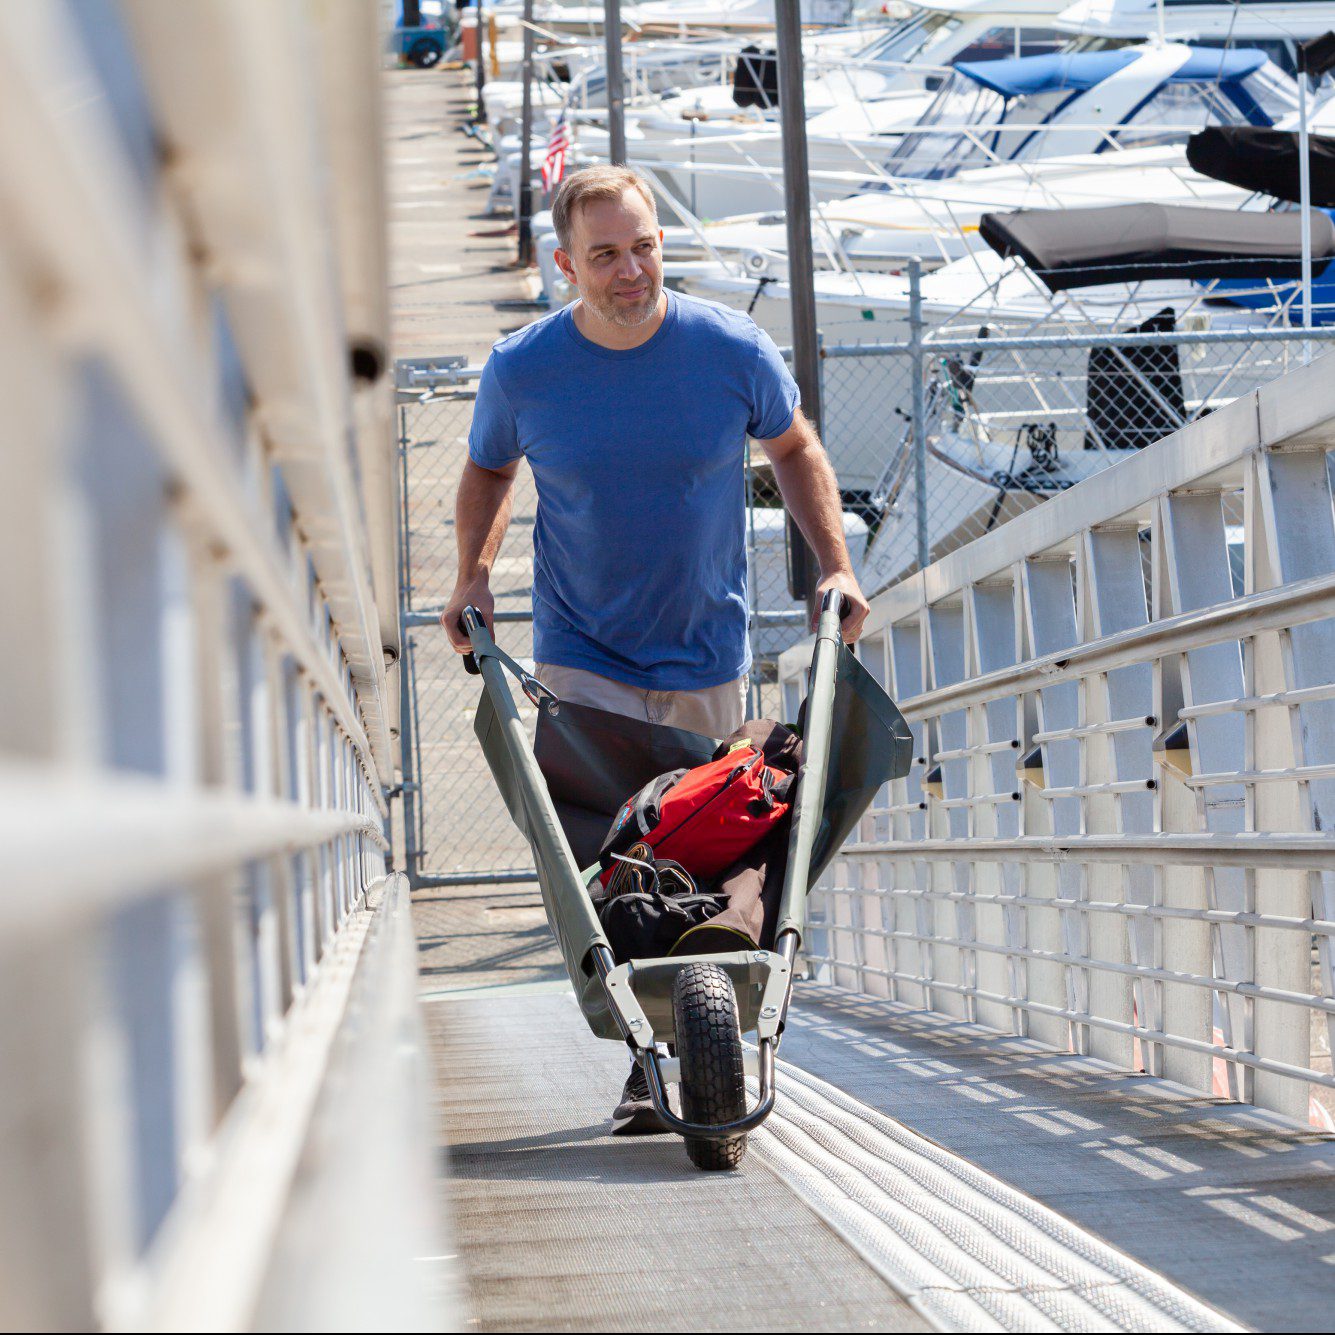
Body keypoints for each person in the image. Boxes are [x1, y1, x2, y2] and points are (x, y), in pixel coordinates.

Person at [443, 164, 869, 1134]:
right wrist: (471, 574)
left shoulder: (727, 351)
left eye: (644, 247)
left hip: (706, 657)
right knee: (607, 866)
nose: (630, 270)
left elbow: (795, 450)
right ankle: (648, 1059)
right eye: (604, 255)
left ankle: (701, 1040)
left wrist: (833, 567)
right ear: (565, 266)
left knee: (713, 857)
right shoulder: (526, 369)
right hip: (580, 659)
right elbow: (486, 466)